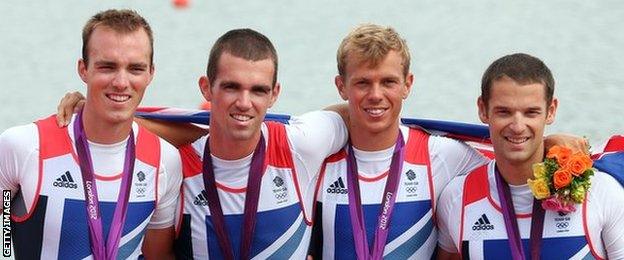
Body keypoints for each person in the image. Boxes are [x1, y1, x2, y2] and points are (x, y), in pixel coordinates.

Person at [0, 9, 182, 259]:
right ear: (83, 69)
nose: (121, 81)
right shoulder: (23, 146)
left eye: (135, 69)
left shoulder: (166, 161)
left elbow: (158, 256)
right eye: (107, 67)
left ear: (151, 73)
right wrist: (6, 247)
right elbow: (5, 234)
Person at [307, 24, 491, 260]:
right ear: (341, 86)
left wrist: (553, 143)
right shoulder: (318, 155)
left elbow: (515, 168)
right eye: (362, 82)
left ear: (408, 84)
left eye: (388, 82)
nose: (375, 95)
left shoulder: (440, 155)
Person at [436, 53, 624, 259]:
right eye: (504, 112)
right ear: (483, 109)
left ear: (551, 111)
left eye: (531, 113)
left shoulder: (601, 192)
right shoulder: (456, 198)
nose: (517, 127)